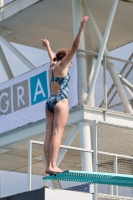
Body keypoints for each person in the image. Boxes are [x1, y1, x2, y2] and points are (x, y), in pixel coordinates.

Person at [41, 16, 89, 174]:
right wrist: (81, 28)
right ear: (66, 59)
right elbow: (75, 46)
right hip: (61, 101)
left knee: (49, 133)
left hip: (49, 102)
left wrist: (48, 46)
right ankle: (53, 165)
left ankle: (48, 164)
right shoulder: (62, 66)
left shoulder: (52, 66)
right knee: (57, 133)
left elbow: (51, 57)